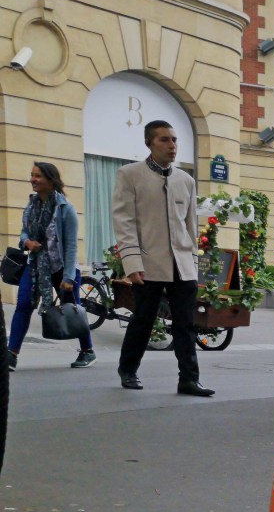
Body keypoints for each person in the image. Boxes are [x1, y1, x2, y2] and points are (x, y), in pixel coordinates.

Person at [111, 119, 213, 396]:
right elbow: (125, 222)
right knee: (143, 319)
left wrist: (193, 261)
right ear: (149, 143)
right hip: (147, 263)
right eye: (164, 140)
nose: (172, 145)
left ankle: (189, 379)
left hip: (182, 265)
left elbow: (191, 227)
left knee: (186, 323)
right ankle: (128, 369)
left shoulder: (186, 180)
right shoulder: (130, 174)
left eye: (174, 140)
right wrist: (132, 263)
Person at [8, 162, 96, 370]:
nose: (33, 180)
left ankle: (88, 351)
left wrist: (68, 278)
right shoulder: (31, 205)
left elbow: (72, 245)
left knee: (73, 310)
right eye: (31, 175)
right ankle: (11, 354)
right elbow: (24, 232)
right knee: (23, 305)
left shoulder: (65, 209)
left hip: (62, 267)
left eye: (38, 176)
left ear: (51, 179)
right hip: (36, 265)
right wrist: (27, 243)